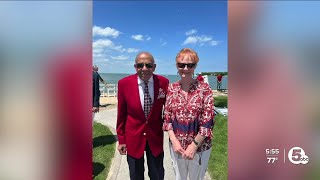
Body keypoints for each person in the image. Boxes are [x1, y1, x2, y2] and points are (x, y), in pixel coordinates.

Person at [163, 48, 214, 180]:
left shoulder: (205, 89)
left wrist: (194, 146)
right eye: (181, 65)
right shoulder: (171, 88)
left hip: (200, 147)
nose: (185, 68)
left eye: (190, 65)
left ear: (195, 66)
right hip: (177, 146)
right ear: (177, 66)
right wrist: (174, 142)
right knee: (179, 177)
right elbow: (167, 119)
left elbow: (208, 122)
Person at [116, 52, 169, 180]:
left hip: (155, 137)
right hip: (133, 137)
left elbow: (168, 110)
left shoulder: (163, 82)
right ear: (135, 67)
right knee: (136, 175)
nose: (144, 68)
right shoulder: (124, 84)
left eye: (148, 65)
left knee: (157, 175)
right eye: (140, 65)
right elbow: (121, 114)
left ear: (154, 67)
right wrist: (121, 139)